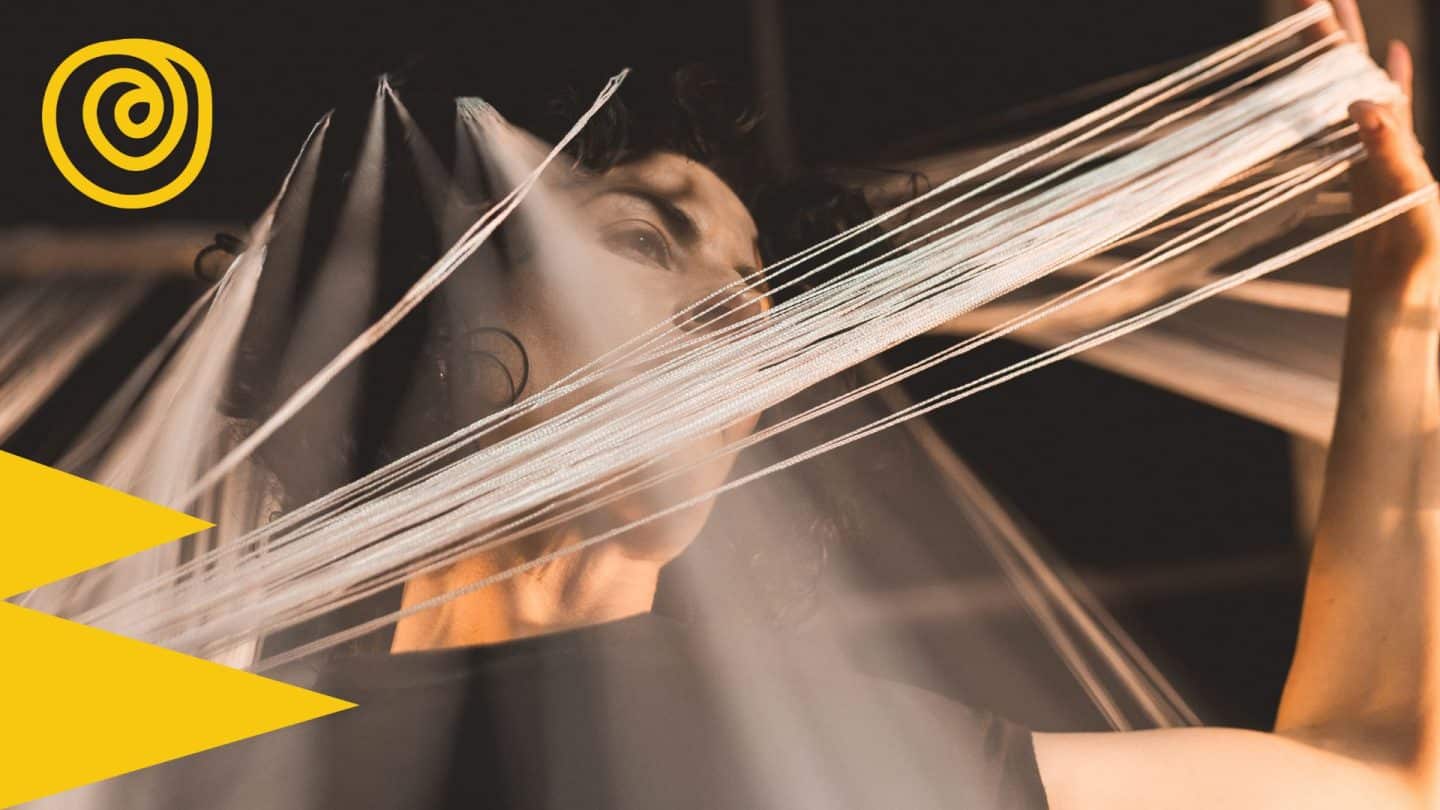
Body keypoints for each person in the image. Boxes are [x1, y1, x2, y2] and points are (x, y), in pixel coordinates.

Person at [89, 0, 1438, 807]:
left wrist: (1402, 305)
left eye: (750, 279)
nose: (743, 308)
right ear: (447, 322)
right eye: (642, 236)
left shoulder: (830, 750)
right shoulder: (208, 741)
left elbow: (1375, 778)